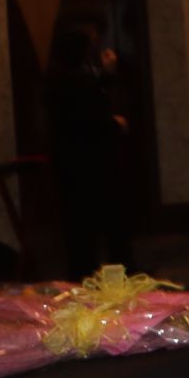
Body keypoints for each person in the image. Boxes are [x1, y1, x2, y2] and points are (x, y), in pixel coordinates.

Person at [42, 26, 134, 279]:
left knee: (80, 225)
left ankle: (86, 274)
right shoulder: (74, 78)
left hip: (71, 163)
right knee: (107, 220)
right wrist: (116, 124)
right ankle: (118, 273)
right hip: (91, 161)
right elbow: (89, 117)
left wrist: (105, 76)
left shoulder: (59, 75)